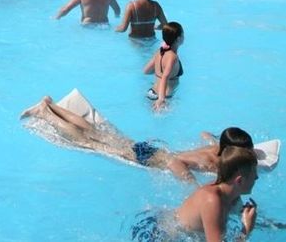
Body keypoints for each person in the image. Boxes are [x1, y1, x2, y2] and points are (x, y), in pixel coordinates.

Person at [20, 95, 257, 183]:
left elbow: (205, 134)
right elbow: (176, 162)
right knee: (88, 141)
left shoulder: (215, 147)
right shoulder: (212, 162)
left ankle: (49, 104)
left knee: (95, 133)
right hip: (149, 157)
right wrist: (190, 183)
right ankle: (44, 112)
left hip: (151, 150)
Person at [172, 147, 258, 241]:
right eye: (254, 175)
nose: (257, 177)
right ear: (239, 181)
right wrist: (246, 229)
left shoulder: (232, 195)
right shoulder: (212, 202)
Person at [144, 21, 184, 109]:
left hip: (152, 92)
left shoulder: (160, 51)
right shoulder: (172, 57)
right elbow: (165, 77)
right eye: (183, 34)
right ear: (178, 39)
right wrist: (161, 99)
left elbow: (146, 71)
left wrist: (159, 71)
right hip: (164, 97)